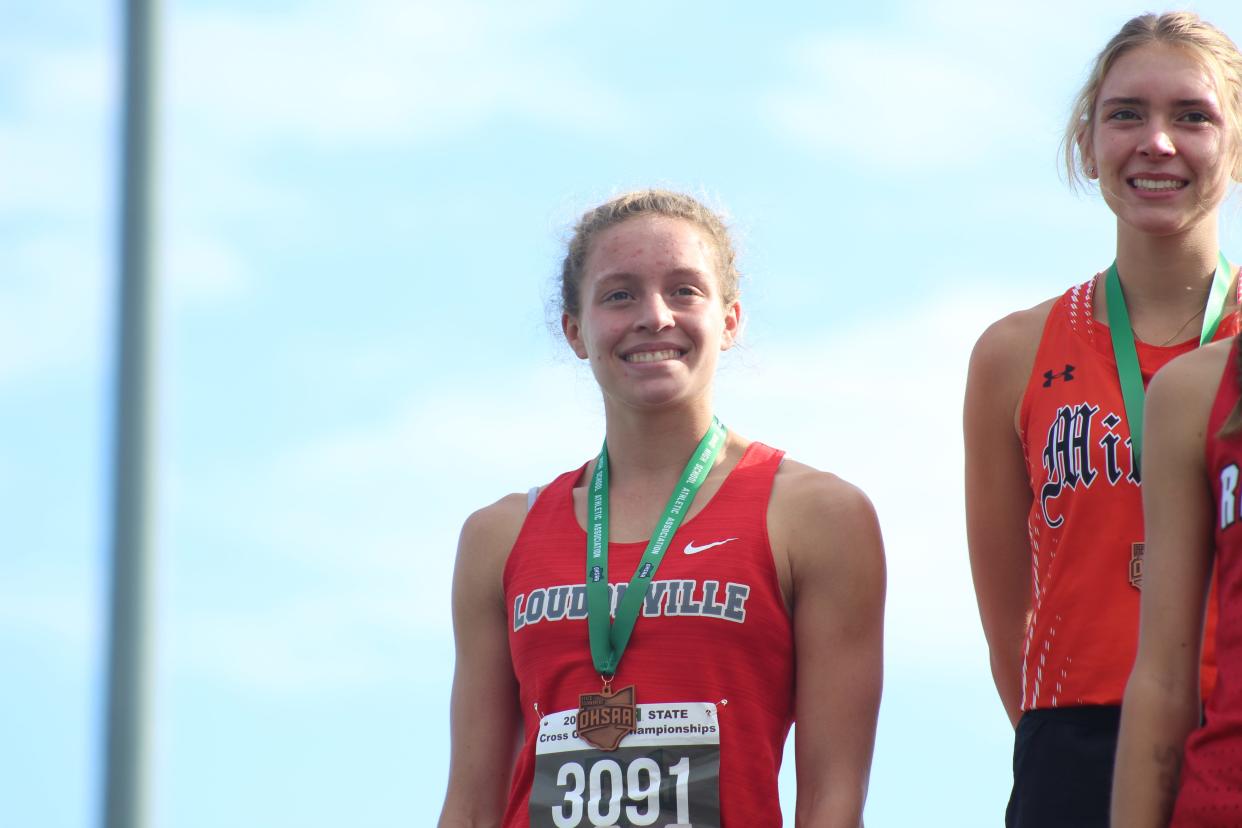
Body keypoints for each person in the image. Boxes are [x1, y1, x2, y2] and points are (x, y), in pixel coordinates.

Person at [437, 189, 885, 827]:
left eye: (684, 291)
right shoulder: (499, 536)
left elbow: (833, 801)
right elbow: (471, 807)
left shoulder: (815, 517)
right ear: (575, 331)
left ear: (730, 321)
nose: (654, 316)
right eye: (619, 294)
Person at [964, 12, 1242, 827]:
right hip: (1073, 740)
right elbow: (1007, 616)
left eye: (1193, 116)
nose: (1158, 142)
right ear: (1087, 142)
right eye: (1126, 114)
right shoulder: (1013, 353)